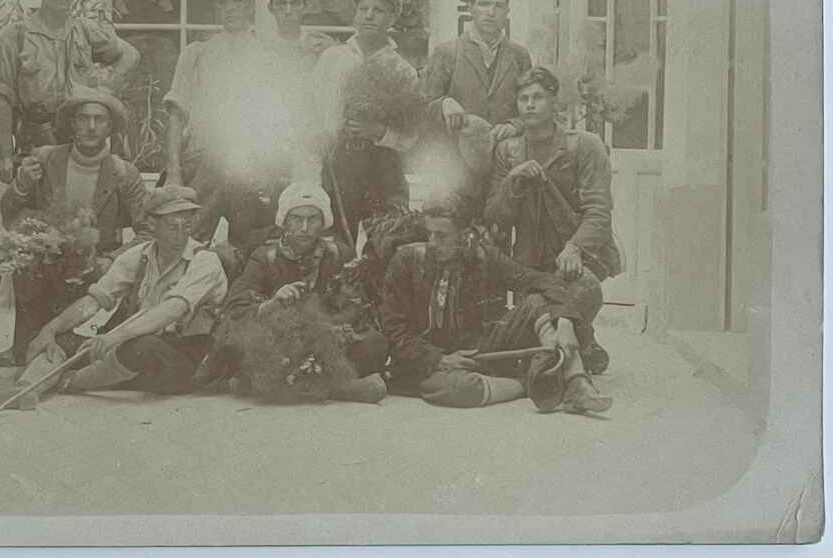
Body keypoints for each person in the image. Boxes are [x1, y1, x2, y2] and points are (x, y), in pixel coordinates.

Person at [0, 186, 228, 409]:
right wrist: (51, 329)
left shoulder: (205, 261)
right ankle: (24, 391)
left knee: (137, 348)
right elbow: (95, 300)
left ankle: (65, 381)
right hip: (134, 347)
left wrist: (113, 337)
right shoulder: (139, 256)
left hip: (183, 360)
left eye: (187, 225)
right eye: (173, 226)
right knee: (64, 341)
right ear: (152, 223)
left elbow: (171, 310)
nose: (182, 233)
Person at [381, 195, 611, 413]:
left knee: (536, 301)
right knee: (458, 389)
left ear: (463, 235)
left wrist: (564, 322)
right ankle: (532, 383)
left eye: (441, 236)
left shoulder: (484, 257)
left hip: (480, 350)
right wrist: (439, 358)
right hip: (430, 361)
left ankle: (576, 380)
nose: (432, 243)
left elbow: (541, 280)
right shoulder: (407, 263)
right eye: (429, 233)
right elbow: (395, 330)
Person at [0, 86, 148, 367]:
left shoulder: (123, 172)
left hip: (96, 261)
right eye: (83, 119)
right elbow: (11, 213)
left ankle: (69, 347)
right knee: (25, 260)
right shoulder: (47, 159)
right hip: (50, 254)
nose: (91, 127)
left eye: (99, 120)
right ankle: (22, 346)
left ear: (110, 127)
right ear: (72, 123)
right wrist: (22, 184)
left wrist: (114, 260)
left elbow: (147, 230)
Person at [484, 66, 622, 374]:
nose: (530, 105)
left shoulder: (584, 146)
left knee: (583, 287)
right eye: (523, 99)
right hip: (529, 263)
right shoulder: (508, 151)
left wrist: (574, 248)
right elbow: (495, 217)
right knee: (536, 314)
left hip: (575, 258)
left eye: (538, 97)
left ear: (554, 103)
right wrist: (513, 181)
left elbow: (598, 211)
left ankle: (563, 361)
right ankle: (582, 343)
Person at [197, 183, 389, 402]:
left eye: (312, 219)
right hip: (277, 344)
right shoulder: (264, 257)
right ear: (284, 221)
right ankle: (337, 388)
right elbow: (234, 308)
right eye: (296, 219)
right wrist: (273, 303)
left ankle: (275, 385)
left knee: (375, 344)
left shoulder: (338, 254)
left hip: (327, 343)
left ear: (323, 222)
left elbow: (356, 306)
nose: (304, 228)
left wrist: (331, 328)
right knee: (246, 346)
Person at [0, 0, 140, 185]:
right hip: (36, 141)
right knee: (38, 214)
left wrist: (105, 90)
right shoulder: (16, 36)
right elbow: (3, 99)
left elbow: (130, 55)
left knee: (83, 211)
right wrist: (5, 157)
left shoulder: (85, 30)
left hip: (82, 141)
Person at [162, 0, 291, 250]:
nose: (230, 8)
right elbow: (176, 112)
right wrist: (173, 169)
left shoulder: (269, 56)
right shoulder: (197, 53)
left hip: (252, 167)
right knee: (187, 237)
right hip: (202, 161)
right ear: (215, 7)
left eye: (237, 0)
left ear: (249, 4)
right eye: (222, 2)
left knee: (247, 245)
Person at [310, 0, 419, 237]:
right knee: (335, 243)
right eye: (363, 9)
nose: (369, 16)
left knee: (385, 245)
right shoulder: (332, 59)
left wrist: (379, 131)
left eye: (378, 10)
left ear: (391, 19)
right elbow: (311, 113)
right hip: (336, 167)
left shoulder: (403, 71)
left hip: (384, 170)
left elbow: (411, 138)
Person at [424, 0, 533, 133]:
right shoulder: (447, 52)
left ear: (507, 12)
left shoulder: (519, 55)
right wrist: (443, 103)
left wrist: (514, 126)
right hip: (458, 151)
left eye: (499, 6)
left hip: (505, 151)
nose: (491, 12)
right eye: (484, 4)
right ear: (470, 8)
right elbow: (424, 107)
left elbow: (534, 106)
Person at [265, 0, 337, 71]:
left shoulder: (322, 44)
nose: (288, 11)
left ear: (305, 7)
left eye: (295, 3)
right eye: (281, 4)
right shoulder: (261, 45)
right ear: (270, 8)